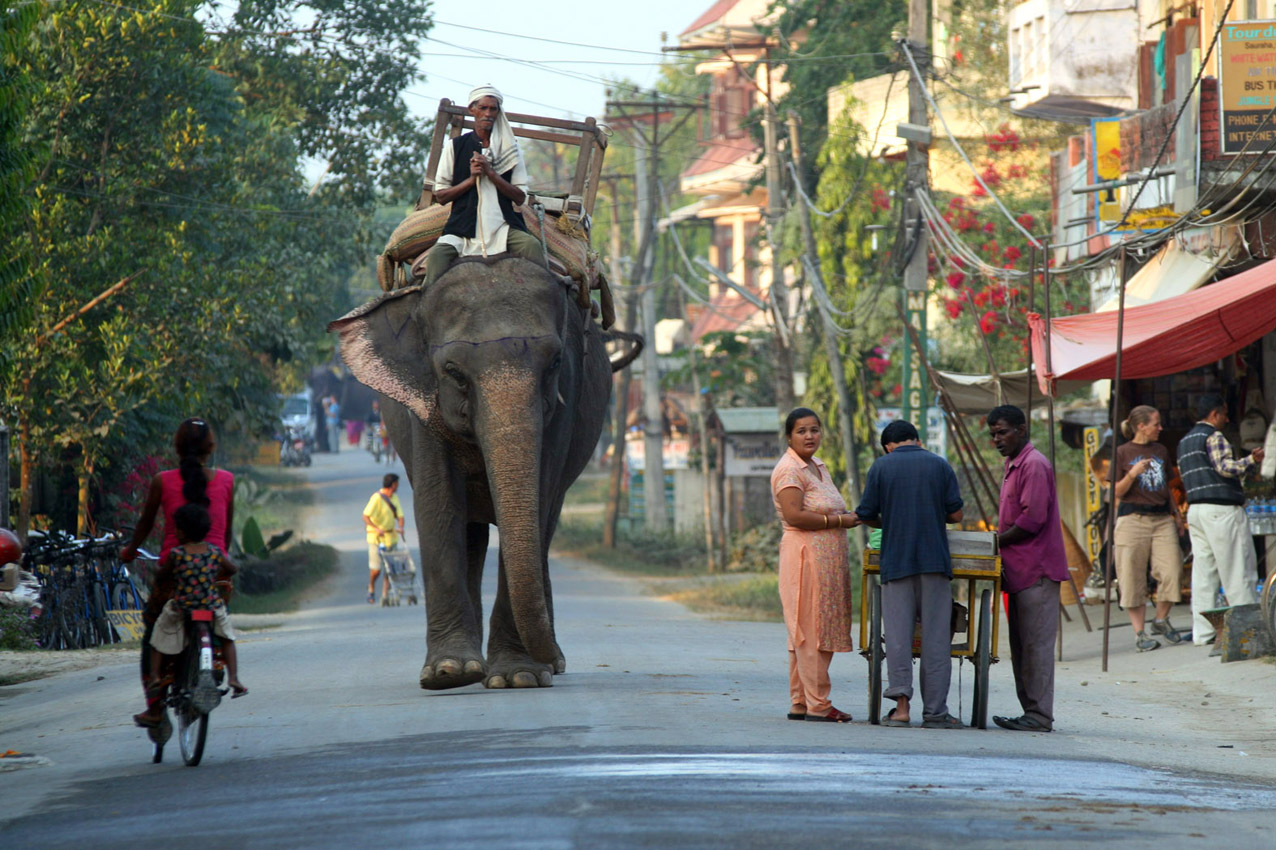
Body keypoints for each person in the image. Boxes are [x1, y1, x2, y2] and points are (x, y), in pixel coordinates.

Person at [121, 418, 236, 726]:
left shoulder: (162, 480)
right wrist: (218, 563)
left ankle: (156, 705)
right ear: (211, 448)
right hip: (215, 575)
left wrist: (130, 551)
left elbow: (144, 525)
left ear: (177, 447)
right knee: (218, 623)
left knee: (153, 631)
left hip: (173, 576)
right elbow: (225, 537)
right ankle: (217, 665)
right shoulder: (227, 479)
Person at [853, 420, 965, 730]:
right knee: (936, 639)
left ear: (888, 445)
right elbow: (956, 514)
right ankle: (935, 712)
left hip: (896, 562)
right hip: (935, 563)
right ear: (916, 440)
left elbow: (865, 514)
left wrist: (893, 516)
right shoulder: (940, 465)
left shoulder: (881, 467)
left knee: (899, 638)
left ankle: (901, 708)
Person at [769, 408, 856, 723]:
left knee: (815, 627)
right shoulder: (789, 470)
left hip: (828, 559)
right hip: (805, 557)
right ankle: (820, 704)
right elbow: (794, 516)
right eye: (802, 431)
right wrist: (838, 521)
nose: (809, 436)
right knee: (808, 630)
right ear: (790, 436)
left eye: (814, 430)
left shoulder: (818, 466)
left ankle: (801, 701)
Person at [987, 405, 1070, 733]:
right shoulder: (1012, 464)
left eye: (1002, 432)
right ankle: (1030, 713)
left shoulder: (1034, 464)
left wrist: (996, 541)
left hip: (1037, 569)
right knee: (1022, 647)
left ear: (1022, 430)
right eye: (993, 434)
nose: (997, 439)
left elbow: (1032, 520)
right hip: (1019, 571)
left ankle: (1039, 715)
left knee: (1035, 646)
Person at [133, 504, 245, 726]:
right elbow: (231, 569)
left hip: (183, 607)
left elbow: (163, 574)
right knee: (227, 637)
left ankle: (155, 675)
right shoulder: (213, 552)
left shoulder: (177, 554)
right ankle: (234, 677)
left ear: (181, 532)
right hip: (211, 607)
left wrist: (159, 573)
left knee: (158, 635)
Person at [421, 85, 543, 286]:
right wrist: (471, 180)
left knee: (531, 246)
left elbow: (520, 197)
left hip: (503, 227)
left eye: (493, 109)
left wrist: (491, 173)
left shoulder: (510, 149)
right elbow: (441, 196)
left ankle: (547, 297)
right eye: (483, 108)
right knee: (436, 257)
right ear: (472, 110)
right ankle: (422, 309)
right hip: (462, 231)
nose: (488, 114)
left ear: (498, 112)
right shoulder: (455, 146)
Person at [1177, 394, 1266, 650]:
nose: (1227, 419)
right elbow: (1225, 468)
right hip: (1221, 510)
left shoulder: (1184, 442)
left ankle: (1203, 634)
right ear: (1214, 414)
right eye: (1225, 414)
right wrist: (1251, 460)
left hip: (1196, 511)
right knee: (1238, 571)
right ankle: (1247, 634)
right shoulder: (1213, 436)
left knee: (1204, 576)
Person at [1111, 405, 1185, 651]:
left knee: (1173, 571)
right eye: (1156, 424)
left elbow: (1166, 486)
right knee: (1131, 576)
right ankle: (1140, 633)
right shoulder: (1122, 452)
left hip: (1162, 518)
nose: (1160, 428)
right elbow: (1115, 493)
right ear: (1141, 426)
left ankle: (1161, 619)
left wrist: (1176, 514)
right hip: (1132, 519)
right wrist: (1132, 473)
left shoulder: (1161, 450)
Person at [363, 473, 406, 604]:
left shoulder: (395, 498)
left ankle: (385, 594)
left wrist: (401, 527)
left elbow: (400, 516)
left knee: (389, 568)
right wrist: (376, 528)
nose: (398, 486)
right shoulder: (376, 498)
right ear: (393, 484)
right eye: (397, 483)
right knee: (376, 570)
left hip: (391, 537)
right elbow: (365, 516)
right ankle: (371, 587)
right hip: (376, 539)